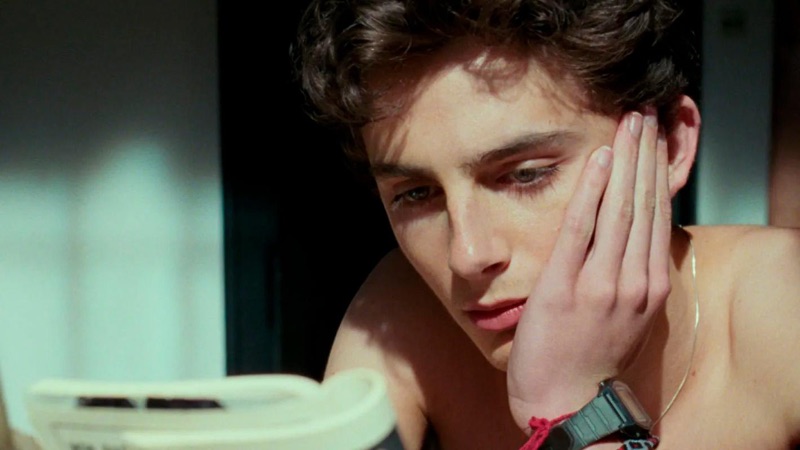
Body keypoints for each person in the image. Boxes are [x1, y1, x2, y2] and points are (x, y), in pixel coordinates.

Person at [294, 1, 800, 448]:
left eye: (526, 175)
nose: (467, 255)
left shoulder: (782, 305)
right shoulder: (401, 320)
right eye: (416, 194)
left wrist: (575, 413)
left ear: (670, 147)